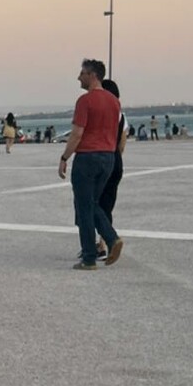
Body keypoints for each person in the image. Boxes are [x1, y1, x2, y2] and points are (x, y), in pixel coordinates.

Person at [59, 59, 122, 269]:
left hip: (87, 158)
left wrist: (64, 157)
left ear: (92, 75)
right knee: (92, 204)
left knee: (84, 207)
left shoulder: (85, 101)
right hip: (108, 158)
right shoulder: (114, 102)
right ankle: (110, 240)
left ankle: (90, 257)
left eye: (82, 73)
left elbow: (77, 134)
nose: (79, 77)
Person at [95, 79, 127, 255]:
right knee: (107, 203)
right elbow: (122, 144)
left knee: (93, 202)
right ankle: (104, 242)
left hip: (100, 158)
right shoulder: (122, 116)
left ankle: (104, 242)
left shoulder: (100, 113)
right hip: (115, 159)